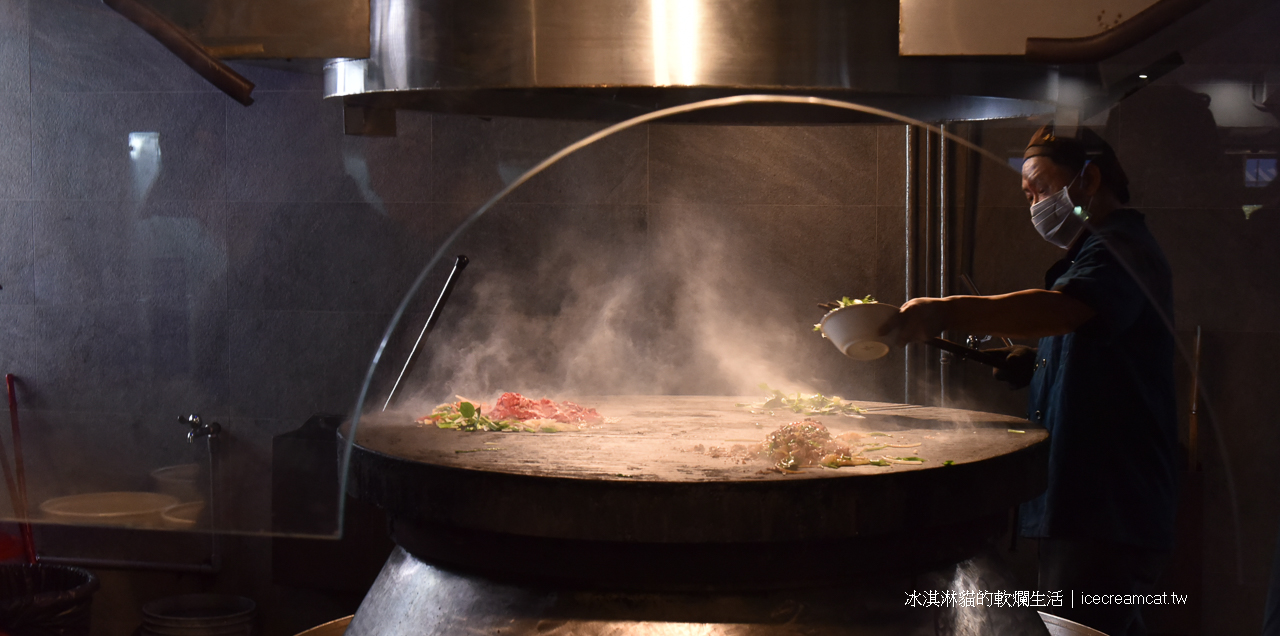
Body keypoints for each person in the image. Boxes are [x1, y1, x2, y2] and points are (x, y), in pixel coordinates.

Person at [880, 126, 1179, 636]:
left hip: (1105, 503)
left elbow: (1062, 312)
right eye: (1028, 195)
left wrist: (947, 311)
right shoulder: (1094, 253)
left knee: (1084, 628)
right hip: (1084, 503)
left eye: (1041, 188)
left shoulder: (1121, 248)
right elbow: (1086, 333)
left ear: (1089, 179)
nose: (1036, 204)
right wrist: (1037, 361)